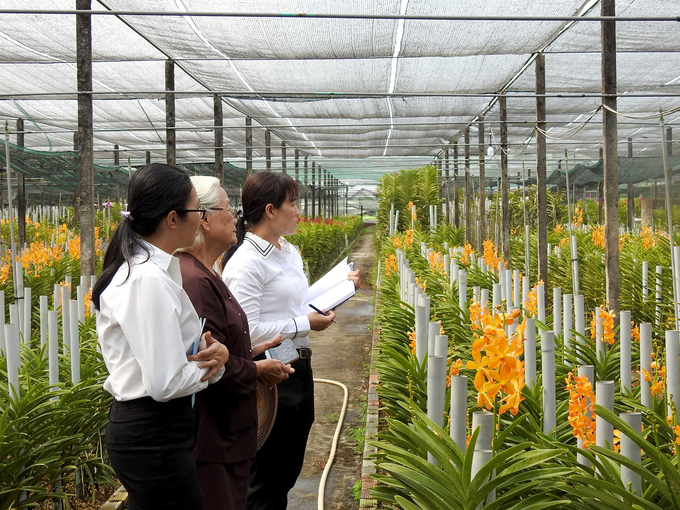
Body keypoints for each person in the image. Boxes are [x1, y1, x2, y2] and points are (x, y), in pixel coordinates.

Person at [93, 163, 230, 510]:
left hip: (160, 428)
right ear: (172, 219)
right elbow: (166, 382)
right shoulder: (146, 280)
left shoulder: (159, 271)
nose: (201, 218)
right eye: (197, 210)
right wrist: (214, 365)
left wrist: (211, 359)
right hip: (152, 432)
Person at [222, 172, 359, 510]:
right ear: (271, 210)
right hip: (269, 373)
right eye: (293, 203)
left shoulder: (287, 250)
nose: (299, 211)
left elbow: (294, 302)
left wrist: (336, 289)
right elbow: (247, 331)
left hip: (295, 361)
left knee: (286, 469)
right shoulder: (246, 263)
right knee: (266, 476)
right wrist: (304, 322)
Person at [175, 176, 294, 510]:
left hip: (228, 433)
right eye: (230, 209)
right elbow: (207, 362)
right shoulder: (196, 281)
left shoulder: (209, 271)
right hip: (214, 435)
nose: (237, 218)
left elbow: (224, 345)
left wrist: (250, 352)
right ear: (205, 218)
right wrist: (255, 367)